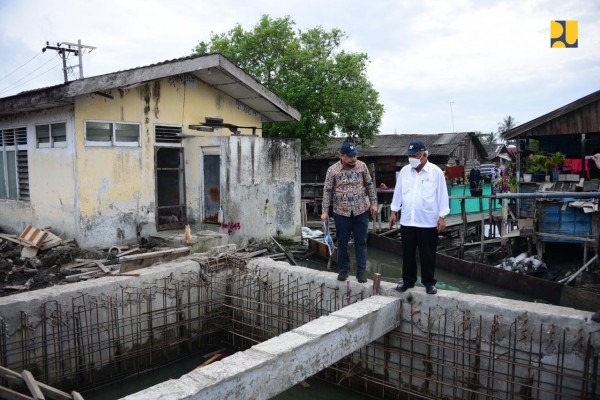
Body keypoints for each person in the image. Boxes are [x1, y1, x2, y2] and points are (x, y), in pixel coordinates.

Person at [389, 141, 450, 294]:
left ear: (424, 155)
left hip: (428, 222)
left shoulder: (435, 172)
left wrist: (442, 216)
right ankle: (408, 280)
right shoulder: (404, 171)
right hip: (408, 220)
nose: (412, 159)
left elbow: (442, 195)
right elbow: (398, 192)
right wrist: (393, 211)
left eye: (415, 155)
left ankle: (429, 282)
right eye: (409, 156)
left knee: (428, 254)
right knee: (407, 253)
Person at [321, 142, 378, 283]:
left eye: (355, 156)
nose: (353, 159)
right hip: (341, 212)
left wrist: (374, 203)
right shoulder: (332, 170)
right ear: (342, 156)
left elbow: (370, 185)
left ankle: (361, 272)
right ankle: (343, 271)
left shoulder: (362, 166)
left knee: (361, 242)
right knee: (342, 243)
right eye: (350, 157)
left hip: (361, 210)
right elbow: (327, 191)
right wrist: (325, 211)